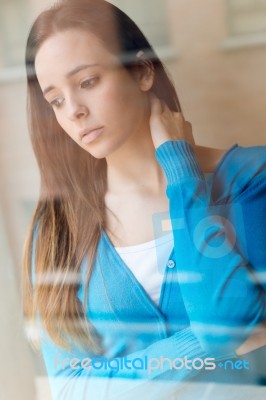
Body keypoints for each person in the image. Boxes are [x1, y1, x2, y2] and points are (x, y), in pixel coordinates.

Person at [22, 0, 266, 399]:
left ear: (142, 70)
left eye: (86, 82)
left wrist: (181, 172)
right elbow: (70, 389)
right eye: (56, 100)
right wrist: (199, 346)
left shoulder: (249, 178)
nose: (74, 112)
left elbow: (225, 320)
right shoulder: (58, 225)